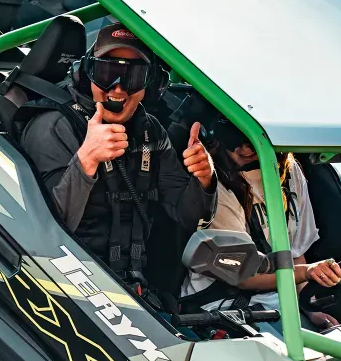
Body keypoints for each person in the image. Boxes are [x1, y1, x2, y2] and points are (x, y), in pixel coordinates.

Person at [19, 23, 217, 292]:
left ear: (151, 85)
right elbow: (43, 230)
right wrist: (86, 160)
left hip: (134, 289)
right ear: (85, 75)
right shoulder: (54, 127)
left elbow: (187, 217)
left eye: (133, 76)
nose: (119, 89)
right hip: (66, 283)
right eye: (107, 73)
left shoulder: (150, 131)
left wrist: (204, 180)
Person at [180, 114, 341, 330]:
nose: (245, 149)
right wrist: (306, 272)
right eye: (237, 138)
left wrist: (308, 307)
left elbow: (295, 253)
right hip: (221, 307)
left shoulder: (290, 173)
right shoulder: (214, 183)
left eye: (253, 142)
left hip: (279, 304)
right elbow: (244, 277)